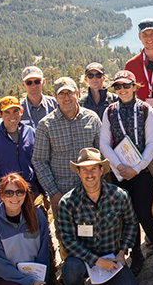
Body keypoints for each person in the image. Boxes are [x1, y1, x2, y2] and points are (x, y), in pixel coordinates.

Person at [57, 148, 141, 285]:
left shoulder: (119, 196)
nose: (89, 174)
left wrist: (122, 251)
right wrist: (96, 261)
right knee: (70, 270)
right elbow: (68, 241)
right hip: (82, 259)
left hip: (111, 256)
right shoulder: (67, 203)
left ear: (101, 170)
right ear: (78, 173)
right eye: (84, 169)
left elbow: (131, 223)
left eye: (93, 168)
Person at [99, 70, 153, 272]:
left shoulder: (145, 110)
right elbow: (104, 144)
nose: (122, 90)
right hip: (120, 171)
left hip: (141, 170)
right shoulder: (109, 111)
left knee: (143, 211)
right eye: (118, 86)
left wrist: (136, 168)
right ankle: (136, 254)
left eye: (127, 85)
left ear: (135, 87)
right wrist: (118, 166)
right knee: (127, 214)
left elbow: (152, 142)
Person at [31, 77, 102, 216]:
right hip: (63, 193)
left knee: (96, 233)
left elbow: (103, 152)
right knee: (66, 235)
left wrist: (100, 184)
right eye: (62, 94)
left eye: (69, 93)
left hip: (93, 191)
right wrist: (53, 193)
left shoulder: (92, 119)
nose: (66, 98)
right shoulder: (46, 125)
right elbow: (39, 161)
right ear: (55, 97)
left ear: (77, 93)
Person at [0, 96, 37, 210]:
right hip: (8, 196)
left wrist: (44, 193)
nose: (12, 116)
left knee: (35, 225)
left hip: (31, 193)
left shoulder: (30, 132)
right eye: (7, 112)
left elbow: (36, 163)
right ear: (0, 114)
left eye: (15, 111)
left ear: (21, 111)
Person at [124, 19, 153, 105]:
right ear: (139, 37)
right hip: (141, 115)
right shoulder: (131, 66)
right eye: (145, 34)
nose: (149, 38)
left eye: (152, 34)